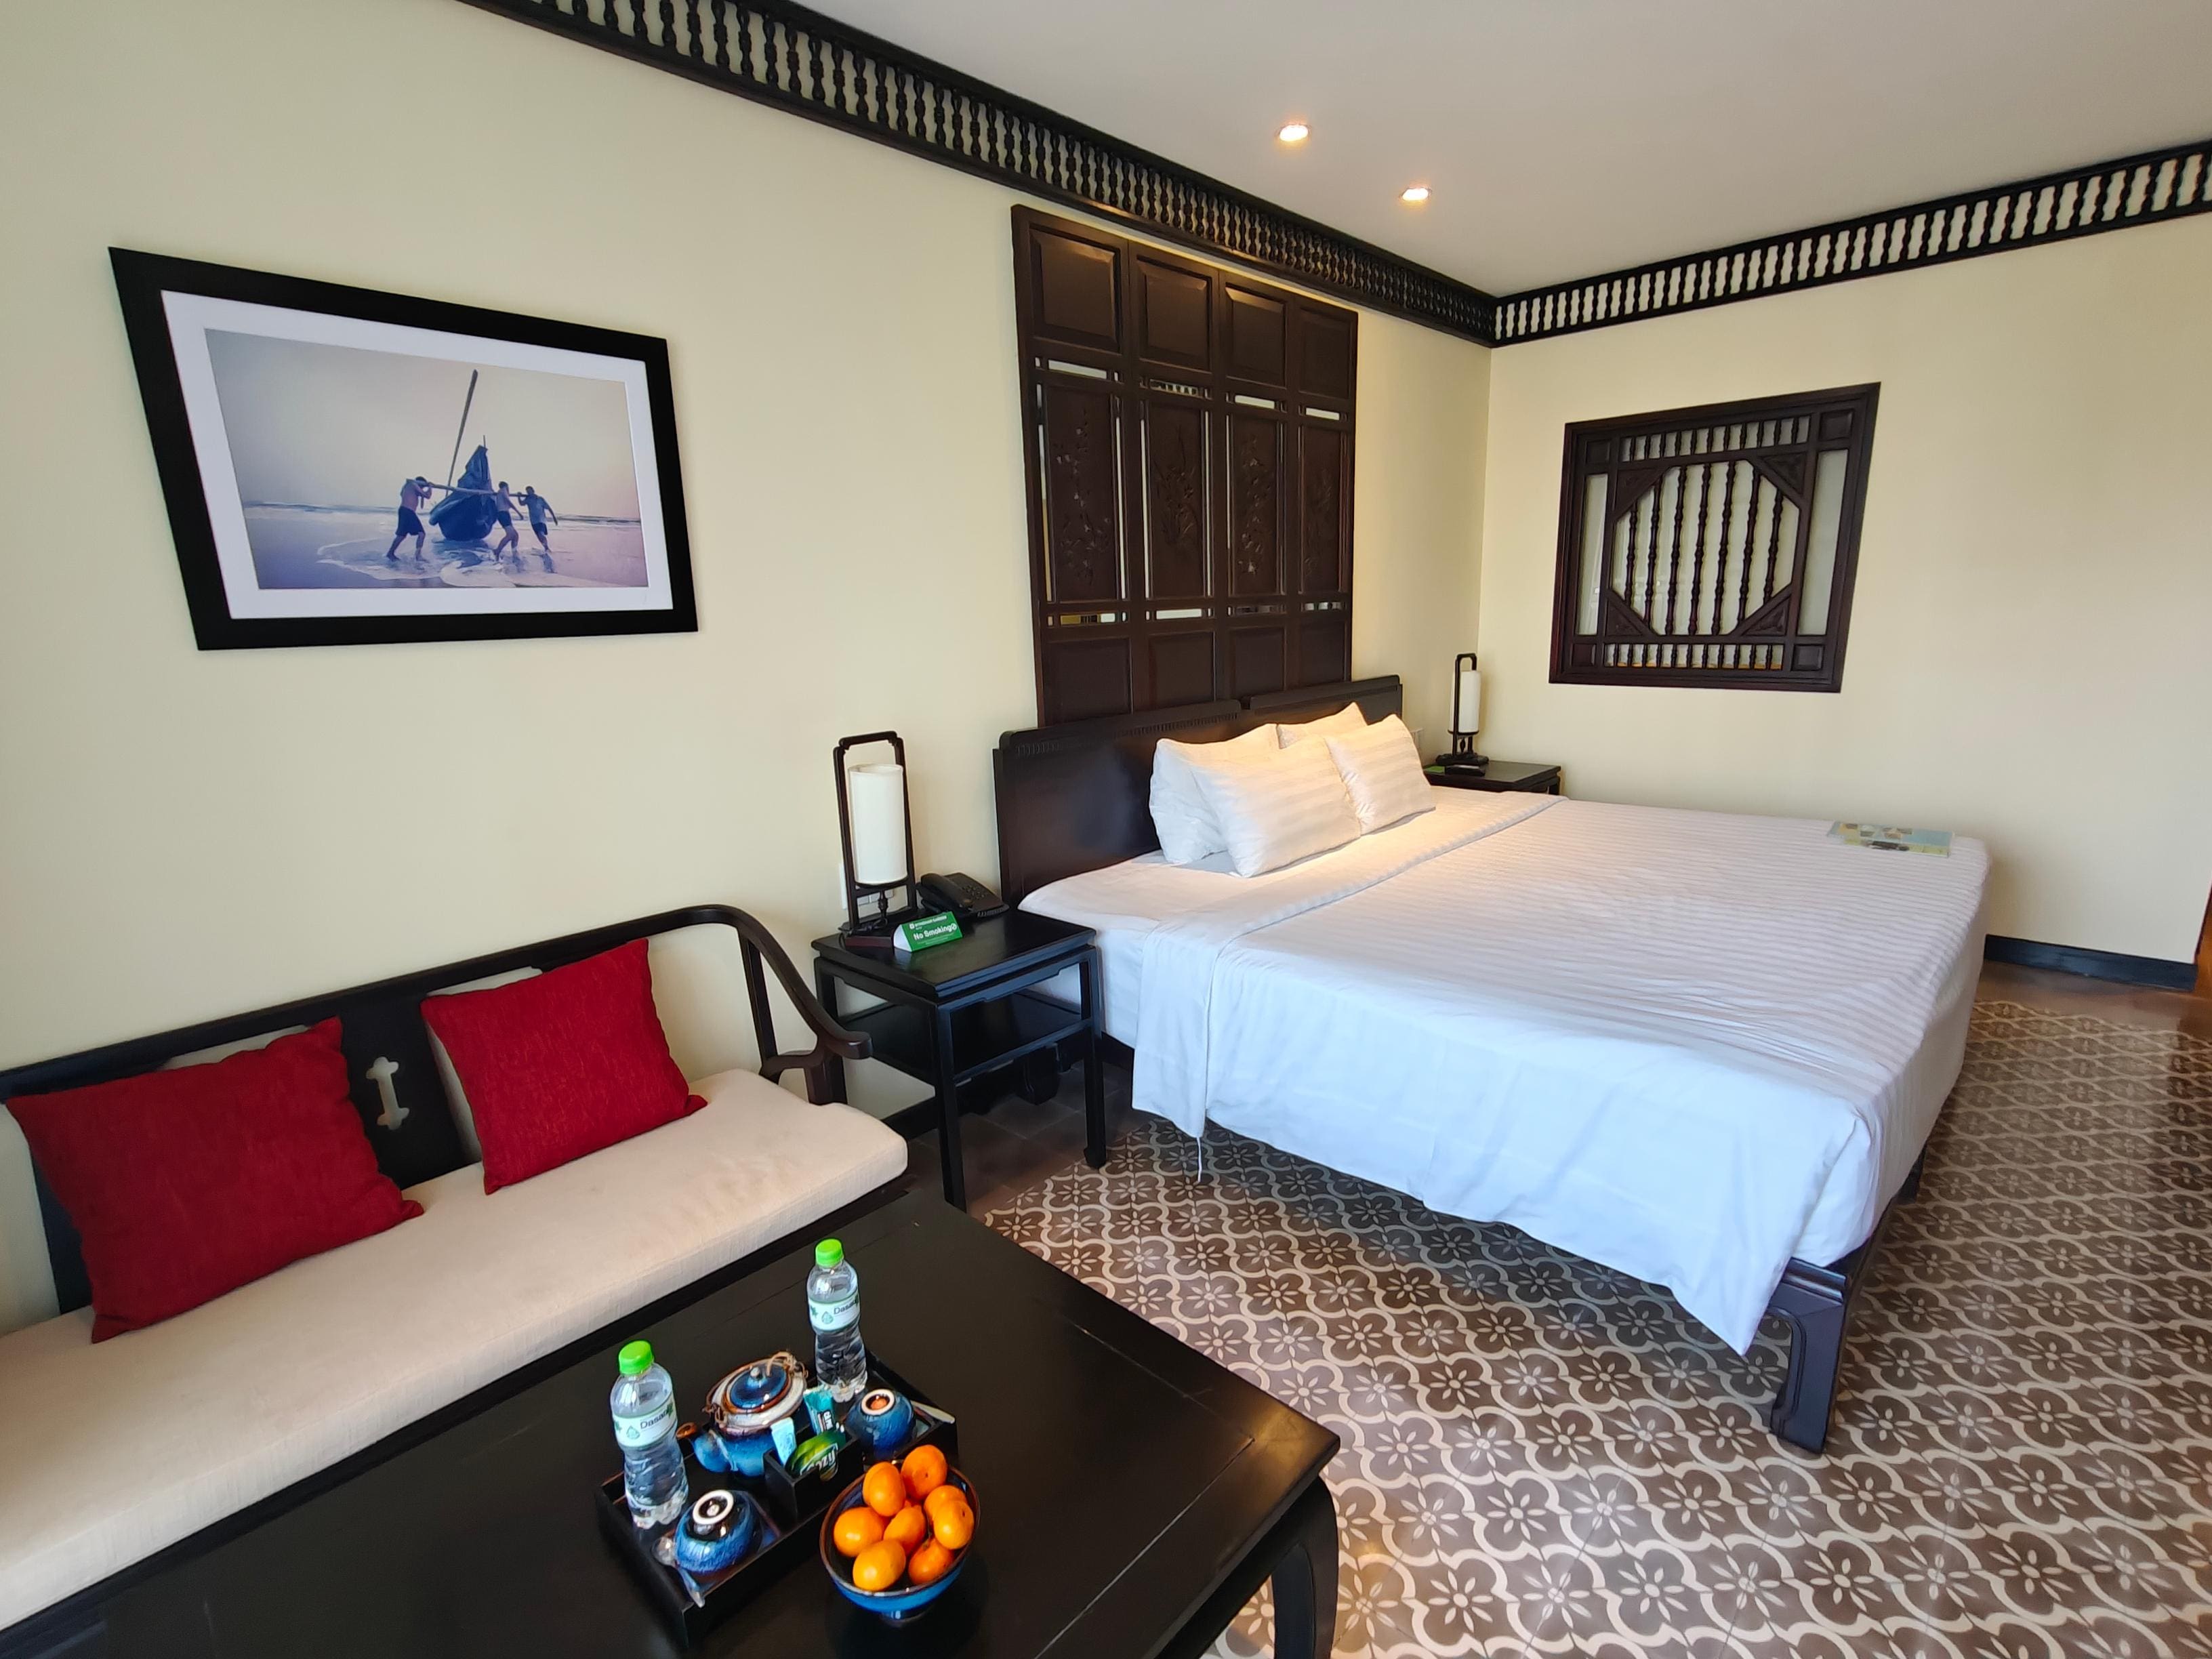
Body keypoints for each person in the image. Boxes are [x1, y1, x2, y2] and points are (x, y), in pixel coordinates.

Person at [386, 476, 432, 560]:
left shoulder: (408, 487)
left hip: (404, 511)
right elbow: (427, 496)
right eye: (422, 487)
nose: (422, 489)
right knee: (421, 534)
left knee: (401, 535)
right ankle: (418, 556)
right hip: (408, 511)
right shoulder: (412, 484)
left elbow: (402, 494)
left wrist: (426, 489)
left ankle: (390, 553)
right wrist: (430, 487)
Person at [520, 486, 558, 553]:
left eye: (530, 491)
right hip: (533, 521)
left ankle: (546, 548)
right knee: (539, 536)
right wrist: (519, 497)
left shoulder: (540, 499)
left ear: (533, 491)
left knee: (541, 534)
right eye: (527, 492)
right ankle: (546, 548)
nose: (529, 493)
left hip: (541, 520)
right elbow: (521, 504)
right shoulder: (528, 499)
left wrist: (554, 518)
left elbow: (549, 508)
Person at [490, 480, 520, 555]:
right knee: (510, 535)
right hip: (503, 514)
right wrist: (518, 512)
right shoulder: (503, 490)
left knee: (516, 535)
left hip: (505, 514)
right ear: (506, 486)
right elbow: (509, 502)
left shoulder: (501, 492)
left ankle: (514, 552)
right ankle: (497, 551)